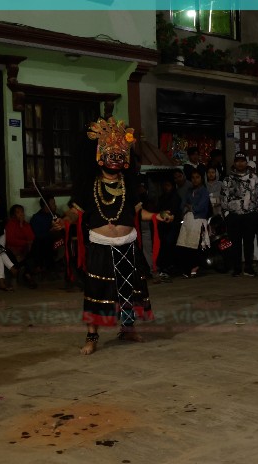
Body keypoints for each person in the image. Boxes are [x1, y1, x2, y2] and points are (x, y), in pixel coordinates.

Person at [73, 117, 174, 355]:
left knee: (128, 289)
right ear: (100, 156)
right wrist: (62, 222)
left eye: (120, 155)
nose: (116, 159)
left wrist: (159, 217)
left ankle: (127, 329)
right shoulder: (89, 186)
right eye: (112, 155)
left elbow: (141, 214)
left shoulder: (129, 187)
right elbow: (74, 213)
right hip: (100, 246)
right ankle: (92, 337)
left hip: (127, 246)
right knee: (96, 292)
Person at [223, 153, 258, 277]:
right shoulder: (228, 179)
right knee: (236, 243)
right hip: (234, 215)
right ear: (234, 163)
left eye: (243, 161)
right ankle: (237, 268)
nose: (240, 163)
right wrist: (227, 214)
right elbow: (224, 197)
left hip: (250, 215)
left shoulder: (253, 178)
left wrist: (256, 213)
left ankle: (249, 267)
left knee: (249, 242)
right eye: (238, 161)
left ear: (246, 162)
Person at [176, 169, 213, 278]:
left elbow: (200, 207)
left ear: (201, 178)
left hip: (198, 220)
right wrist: (188, 208)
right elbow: (182, 205)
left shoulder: (204, 192)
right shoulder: (189, 191)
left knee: (195, 245)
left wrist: (190, 207)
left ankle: (195, 266)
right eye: (193, 178)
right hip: (187, 220)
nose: (195, 180)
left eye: (197, 177)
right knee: (184, 244)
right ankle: (187, 267)